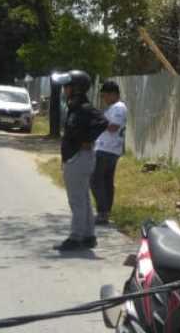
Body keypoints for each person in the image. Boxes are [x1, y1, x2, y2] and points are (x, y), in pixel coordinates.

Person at [53, 70, 102, 251]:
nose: (64, 89)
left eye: (67, 86)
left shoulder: (84, 108)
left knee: (76, 200)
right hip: (75, 158)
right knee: (83, 198)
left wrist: (87, 140)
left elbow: (102, 122)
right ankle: (89, 236)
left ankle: (76, 237)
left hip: (78, 159)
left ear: (77, 88)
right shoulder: (75, 106)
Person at [91, 80, 126, 225]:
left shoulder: (118, 108)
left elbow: (113, 127)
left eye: (105, 96)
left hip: (107, 149)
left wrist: (99, 121)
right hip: (109, 148)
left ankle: (103, 212)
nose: (103, 99)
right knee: (106, 181)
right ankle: (105, 212)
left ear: (113, 95)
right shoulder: (113, 107)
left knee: (95, 180)